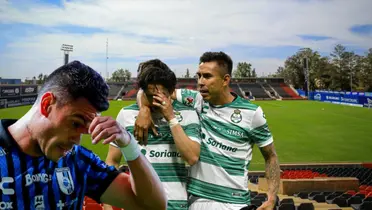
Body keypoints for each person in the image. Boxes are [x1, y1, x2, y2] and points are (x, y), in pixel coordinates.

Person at [0, 61, 167, 210]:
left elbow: (154, 205)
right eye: (75, 123)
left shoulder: (78, 160)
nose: (77, 140)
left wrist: (128, 144)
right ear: (47, 104)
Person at [135, 52, 281, 210]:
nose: (200, 82)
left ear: (225, 80)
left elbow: (270, 156)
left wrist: (272, 197)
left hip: (234, 203)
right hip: (197, 201)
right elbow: (150, 91)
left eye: (207, 76)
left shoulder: (252, 113)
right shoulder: (197, 100)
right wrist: (144, 109)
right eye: (199, 76)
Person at [105, 59, 201, 210]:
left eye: (161, 96)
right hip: (139, 205)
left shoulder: (187, 113)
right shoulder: (127, 114)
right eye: (150, 95)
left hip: (177, 205)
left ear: (171, 92)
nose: (155, 101)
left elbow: (192, 157)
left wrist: (171, 118)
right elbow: (112, 161)